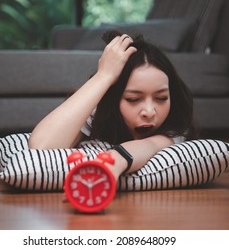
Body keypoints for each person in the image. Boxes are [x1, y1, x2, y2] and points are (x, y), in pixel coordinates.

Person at [28, 30, 197, 181]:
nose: (149, 112)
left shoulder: (175, 124)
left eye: (161, 98)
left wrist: (113, 162)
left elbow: (150, 145)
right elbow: (42, 147)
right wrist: (104, 76)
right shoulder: (100, 112)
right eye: (133, 99)